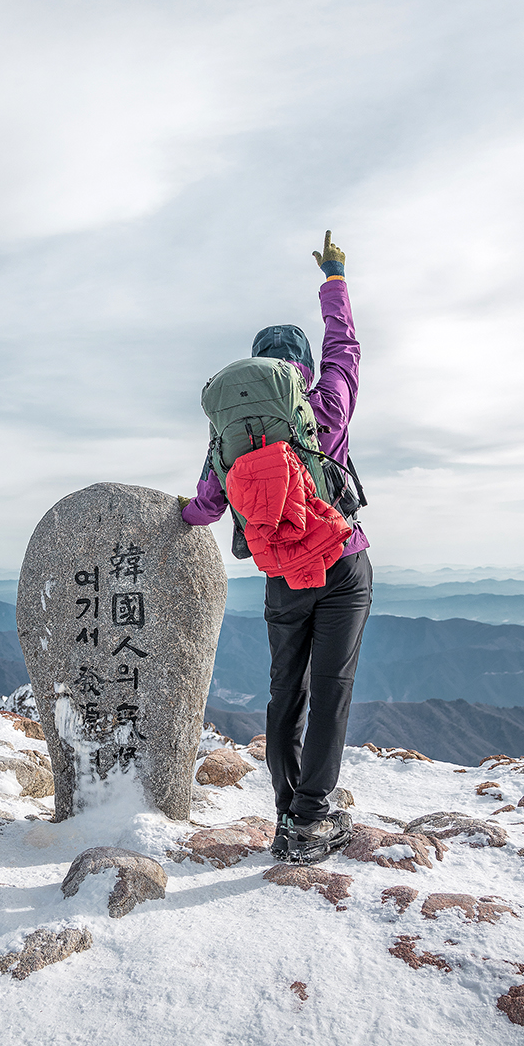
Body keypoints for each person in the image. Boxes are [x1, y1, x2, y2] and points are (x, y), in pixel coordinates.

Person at [179, 231, 372, 862]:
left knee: (285, 689)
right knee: (332, 686)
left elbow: (206, 505)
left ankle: (288, 807)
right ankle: (310, 821)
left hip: (282, 575)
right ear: (304, 368)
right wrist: (334, 278)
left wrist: (169, 518)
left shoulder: (233, 436)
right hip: (341, 564)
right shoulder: (325, 406)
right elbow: (347, 346)